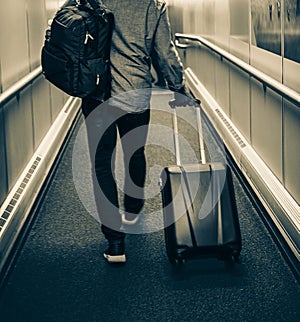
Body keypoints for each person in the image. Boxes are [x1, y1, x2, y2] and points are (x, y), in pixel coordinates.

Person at [81, 0, 196, 263]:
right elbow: (165, 53)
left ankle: (115, 242)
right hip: (135, 94)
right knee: (135, 152)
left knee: (101, 165)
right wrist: (178, 86)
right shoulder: (152, 5)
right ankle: (132, 211)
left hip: (96, 94)